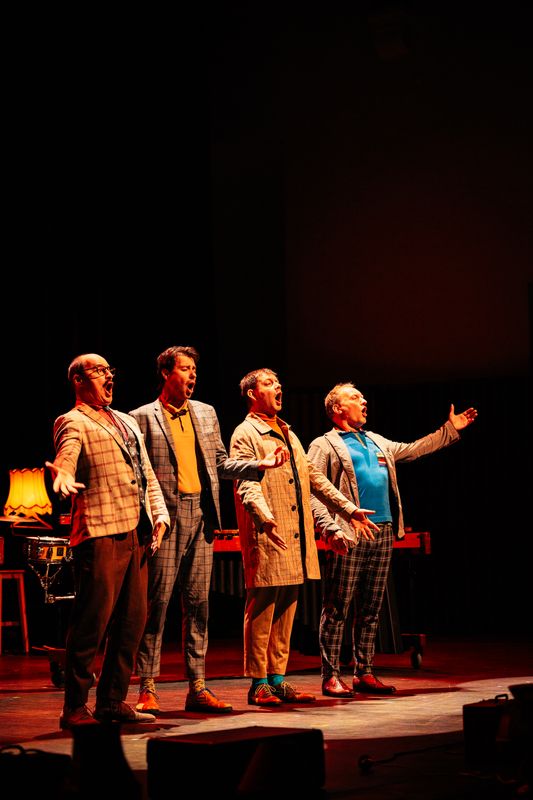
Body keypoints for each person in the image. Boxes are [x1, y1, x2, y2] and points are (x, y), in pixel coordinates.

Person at [131, 346, 289, 715]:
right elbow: (139, 474)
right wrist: (150, 518)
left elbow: (220, 463)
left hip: (201, 517)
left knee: (198, 606)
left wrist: (259, 464)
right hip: (166, 519)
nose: (193, 375)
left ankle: (198, 687)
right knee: (157, 604)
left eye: (194, 370)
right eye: (185, 369)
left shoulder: (205, 413)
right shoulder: (142, 418)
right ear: (166, 373)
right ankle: (147, 686)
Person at [307, 382, 478, 697]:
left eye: (362, 396)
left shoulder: (376, 440)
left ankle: (364, 672)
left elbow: (413, 449)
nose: (364, 400)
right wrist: (329, 528)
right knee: (337, 607)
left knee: (371, 607)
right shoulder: (324, 444)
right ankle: (331, 675)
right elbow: (313, 490)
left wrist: (449, 430)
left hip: (383, 530)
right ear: (337, 408)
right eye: (355, 397)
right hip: (349, 531)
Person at [229, 368, 378, 706]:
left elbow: (314, 478)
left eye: (278, 382)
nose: (278, 386)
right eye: (269, 383)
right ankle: (258, 683)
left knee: (286, 609)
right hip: (270, 532)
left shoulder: (288, 433)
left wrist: (348, 509)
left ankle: (278, 679)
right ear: (252, 394)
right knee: (263, 610)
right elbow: (246, 482)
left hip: (295, 536)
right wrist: (264, 518)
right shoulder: (246, 433)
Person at [45, 353, 170, 729]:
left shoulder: (127, 421)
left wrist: (159, 513)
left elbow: (145, 471)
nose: (107, 376)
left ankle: (112, 701)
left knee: (133, 621)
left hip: (136, 532)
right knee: (92, 623)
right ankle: (74, 707)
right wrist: (63, 475)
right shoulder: (73, 421)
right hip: (100, 533)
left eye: (109, 370)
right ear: (78, 380)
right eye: (98, 371)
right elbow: (67, 455)